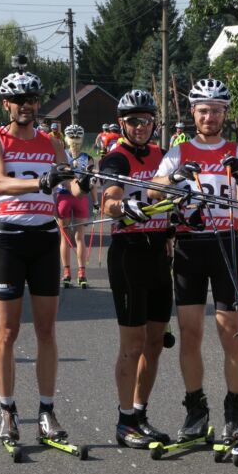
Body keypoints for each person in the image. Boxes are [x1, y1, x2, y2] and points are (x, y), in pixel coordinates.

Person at [0, 65, 80, 449]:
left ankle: (46, 411)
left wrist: (82, 179)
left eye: (32, 100)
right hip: (7, 239)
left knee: (47, 330)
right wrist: (41, 181)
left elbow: (70, 182)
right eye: (19, 100)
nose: (27, 106)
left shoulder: (52, 143)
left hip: (44, 238)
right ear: (7, 104)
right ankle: (7, 411)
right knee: (7, 330)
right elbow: (0, 182)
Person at [149, 78, 238, 446]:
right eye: (203, 110)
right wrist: (171, 180)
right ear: (193, 112)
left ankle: (235, 411)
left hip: (225, 243)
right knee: (191, 333)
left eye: (217, 110)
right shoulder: (178, 151)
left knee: (230, 331)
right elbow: (152, 189)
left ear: (226, 113)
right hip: (190, 246)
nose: (210, 116)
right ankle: (195, 410)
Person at [100, 90, 173, 448]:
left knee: (155, 342)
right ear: (121, 124)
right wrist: (121, 207)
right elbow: (110, 198)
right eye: (132, 121)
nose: (140, 127)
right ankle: (124, 419)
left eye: (145, 120)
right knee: (132, 344)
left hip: (160, 252)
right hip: (129, 254)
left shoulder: (164, 156)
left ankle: (141, 413)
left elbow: (175, 193)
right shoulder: (117, 157)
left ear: (154, 122)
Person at [56, 124, 94, 288]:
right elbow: (91, 183)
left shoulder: (60, 155)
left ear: (66, 138)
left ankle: (66, 273)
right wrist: (97, 202)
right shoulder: (88, 158)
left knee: (65, 238)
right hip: (81, 198)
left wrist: (50, 201)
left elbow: (53, 179)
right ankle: (81, 273)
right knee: (80, 237)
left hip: (63, 197)